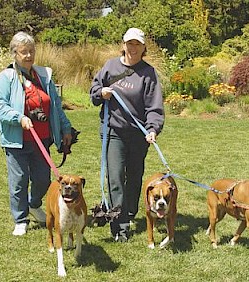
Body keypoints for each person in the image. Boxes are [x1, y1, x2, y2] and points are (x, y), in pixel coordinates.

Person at [0, 31, 72, 236]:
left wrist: (66, 128)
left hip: (42, 139)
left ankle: (33, 204)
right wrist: (18, 118)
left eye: (31, 51)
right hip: (16, 141)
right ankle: (20, 218)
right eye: (23, 52)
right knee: (18, 181)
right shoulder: (7, 77)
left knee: (43, 179)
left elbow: (55, 106)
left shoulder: (44, 75)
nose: (28, 56)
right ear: (14, 54)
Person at [90, 27, 165, 242]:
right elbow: (94, 90)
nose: (133, 48)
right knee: (115, 178)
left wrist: (152, 128)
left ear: (143, 48)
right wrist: (101, 93)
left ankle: (129, 212)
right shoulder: (110, 66)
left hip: (138, 134)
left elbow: (154, 106)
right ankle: (119, 227)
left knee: (134, 177)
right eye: (129, 44)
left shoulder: (148, 73)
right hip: (113, 131)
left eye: (137, 44)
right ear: (123, 45)